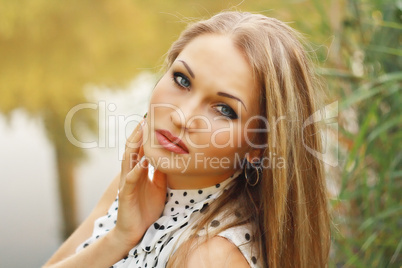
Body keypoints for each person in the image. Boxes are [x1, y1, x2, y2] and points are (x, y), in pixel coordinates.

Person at [44, 11, 331, 268]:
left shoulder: (210, 258)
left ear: (258, 147)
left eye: (224, 110)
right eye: (182, 80)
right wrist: (119, 239)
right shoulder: (141, 182)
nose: (182, 116)